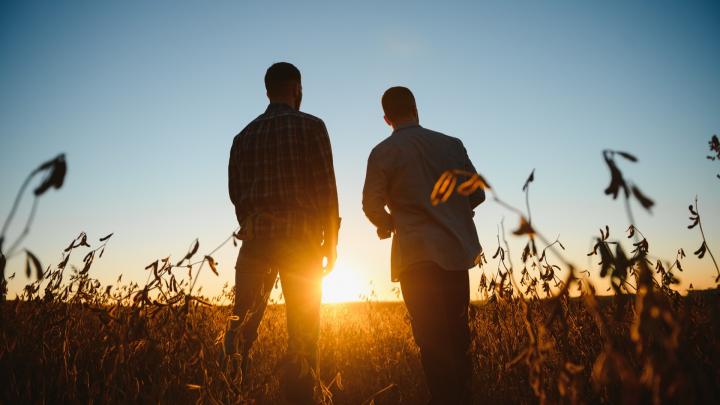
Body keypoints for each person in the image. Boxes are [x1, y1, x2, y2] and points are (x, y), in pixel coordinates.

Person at [362, 86, 485, 405]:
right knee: (459, 337)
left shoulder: (382, 153)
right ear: (416, 108)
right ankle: (463, 398)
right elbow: (478, 194)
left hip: (415, 258)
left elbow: (370, 205)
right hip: (456, 255)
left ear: (386, 118)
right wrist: (455, 213)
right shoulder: (451, 144)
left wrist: (389, 225)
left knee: (431, 341)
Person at [226, 62, 339, 404]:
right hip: (301, 242)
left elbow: (236, 194)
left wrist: (254, 222)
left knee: (241, 329)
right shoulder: (312, 127)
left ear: (267, 90)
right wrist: (331, 243)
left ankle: (230, 395)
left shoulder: (244, 135)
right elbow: (326, 190)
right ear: (296, 88)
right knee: (303, 334)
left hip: (256, 243)